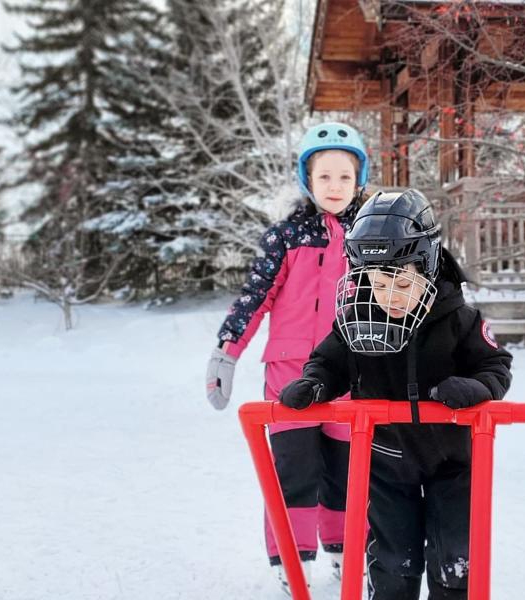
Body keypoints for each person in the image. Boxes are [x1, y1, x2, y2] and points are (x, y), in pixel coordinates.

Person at [278, 188, 513, 600]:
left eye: (403, 281)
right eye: (379, 280)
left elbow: (495, 365)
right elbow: (329, 361)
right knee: (391, 561)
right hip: (385, 463)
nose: (391, 294)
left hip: (453, 463)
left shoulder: (459, 318)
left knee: (455, 557)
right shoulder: (358, 319)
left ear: (427, 267)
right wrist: (314, 383)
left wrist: (474, 388)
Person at [205, 122, 369, 591]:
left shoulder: (373, 236)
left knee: (347, 472)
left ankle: (344, 552)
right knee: (294, 472)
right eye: (324, 177)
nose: (334, 186)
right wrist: (226, 353)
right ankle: (291, 562)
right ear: (307, 180)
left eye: (344, 176)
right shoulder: (287, 237)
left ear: (359, 180)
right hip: (290, 375)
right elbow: (254, 298)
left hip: (352, 372)